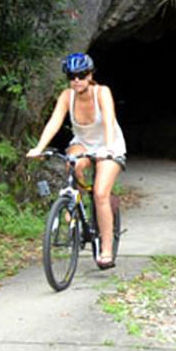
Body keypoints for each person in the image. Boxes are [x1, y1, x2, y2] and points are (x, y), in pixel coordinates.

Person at [27, 52, 126, 269]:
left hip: (109, 144)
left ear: (90, 75)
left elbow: (109, 121)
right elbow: (54, 122)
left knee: (101, 193)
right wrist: (39, 148)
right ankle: (74, 203)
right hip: (83, 142)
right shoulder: (66, 96)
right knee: (73, 163)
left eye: (81, 75)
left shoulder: (102, 92)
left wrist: (108, 150)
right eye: (72, 76)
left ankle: (106, 249)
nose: (77, 81)